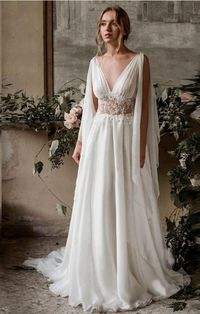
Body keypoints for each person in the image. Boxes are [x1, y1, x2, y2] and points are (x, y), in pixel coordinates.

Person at [23, 5, 191, 313]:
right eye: (103, 23)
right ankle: (99, 268)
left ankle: (127, 268)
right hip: (100, 139)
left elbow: (143, 112)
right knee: (99, 199)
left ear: (124, 28)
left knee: (126, 199)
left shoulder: (140, 62)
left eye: (113, 23)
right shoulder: (94, 63)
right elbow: (92, 107)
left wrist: (141, 149)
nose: (107, 28)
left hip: (127, 139)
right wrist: (79, 143)